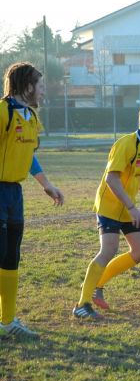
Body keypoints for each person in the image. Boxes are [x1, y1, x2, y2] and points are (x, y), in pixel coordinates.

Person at [72, 102, 140, 319]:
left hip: (126, 207)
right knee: (108, 251)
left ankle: (98, 285)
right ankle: (82, 304)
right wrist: (132, 207)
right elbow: (111, 178)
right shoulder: (126, 144)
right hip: (110, 206)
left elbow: (137, 176)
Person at [0, 62, 64, 338]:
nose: (42, 91)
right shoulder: (3, 112)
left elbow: (29, 156)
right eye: (39, 85)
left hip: (15, 193)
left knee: (11, 257)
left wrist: (47, 185)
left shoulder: (32, 118)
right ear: (26, 86)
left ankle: (8, 322)